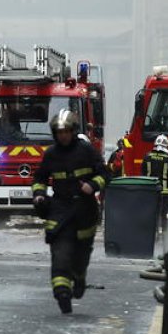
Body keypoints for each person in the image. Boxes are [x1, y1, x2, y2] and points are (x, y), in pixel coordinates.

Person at [32, 110, 108, 315]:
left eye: (66, 131)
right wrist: (39, 195)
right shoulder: (51, 154)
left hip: (85, 211)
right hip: (60, 210)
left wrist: (92, 185)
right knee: (60, 255)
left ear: (73, 131)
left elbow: (105, 173)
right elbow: (39, 179)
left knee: (80, 256)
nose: (62, 135)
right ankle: (62, 294)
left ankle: (79, 277)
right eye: (59, 132)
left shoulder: (86, 150)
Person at [141, 133, 168, 226]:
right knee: (164, 214)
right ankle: (163, 233)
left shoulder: (147, 156)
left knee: (151, 213)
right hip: (165, 192)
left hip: (150, 191)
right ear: (166, 145)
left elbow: (143, 172)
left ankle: (151, 231)